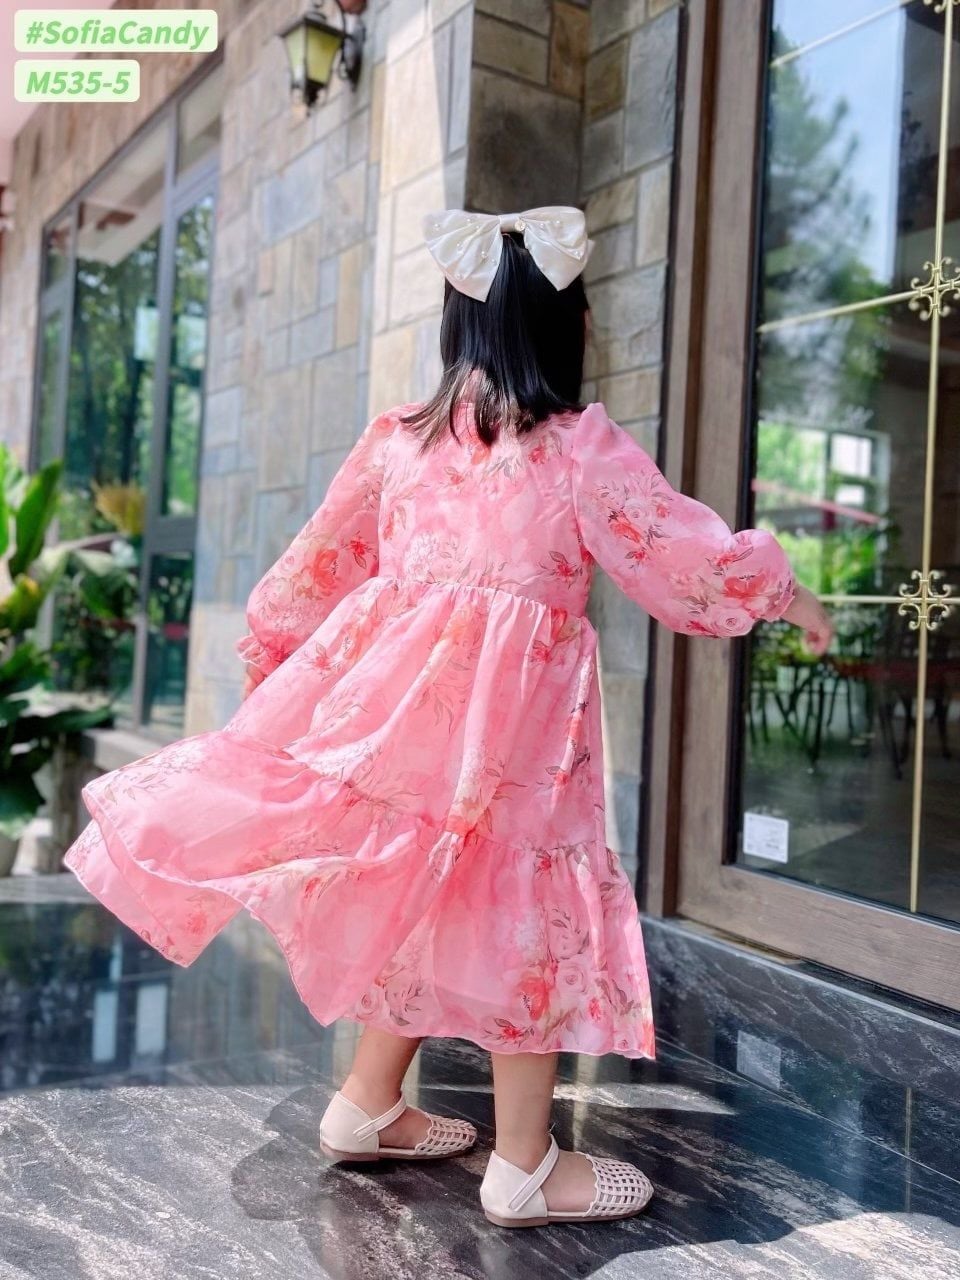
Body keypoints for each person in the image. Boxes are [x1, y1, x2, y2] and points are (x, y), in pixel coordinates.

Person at [64, 206, 832, 1229]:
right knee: (523, 905)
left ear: (454, 326)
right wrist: (786, 593)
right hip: (517, 745)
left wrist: (277, 660)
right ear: (571, 329)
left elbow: (314, 568)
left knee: (419, 888)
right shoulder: (578, 450)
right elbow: (678, 555)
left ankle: (366, 1101)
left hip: (398, 729)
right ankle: (525, 1164)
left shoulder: (400, 443)